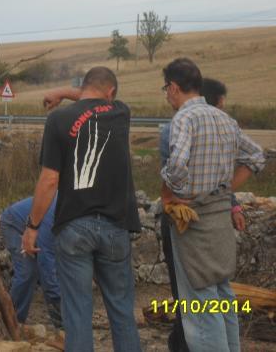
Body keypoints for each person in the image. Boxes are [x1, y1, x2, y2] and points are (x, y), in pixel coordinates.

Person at [22, 66, 142, 352]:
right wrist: (65, 92)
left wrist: (32, 227)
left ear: (85, 86)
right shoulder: (121, 112)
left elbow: (49, 180)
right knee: (122, 311)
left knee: (77, 315)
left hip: (74, 227)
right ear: (111, 93)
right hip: (115, 227)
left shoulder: (58, 120)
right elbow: (94, 100)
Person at [160, 58, 265, 352]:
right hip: (219, 219)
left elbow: (177, 166)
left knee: (201, 304)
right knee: (222, 294)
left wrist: (168, 193)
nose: (167, 95)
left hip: (194, 222)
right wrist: (225, 189)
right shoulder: (224, 118)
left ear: (174, 87)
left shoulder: (184, 119)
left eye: (166, 88)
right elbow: (256, 155)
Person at [0, 196, 62, 327]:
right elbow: (46, 259)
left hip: (36, 227)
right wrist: (56, 299)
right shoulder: (52, 216)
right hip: (14, 224)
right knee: (28, 271)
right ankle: (13, 321)